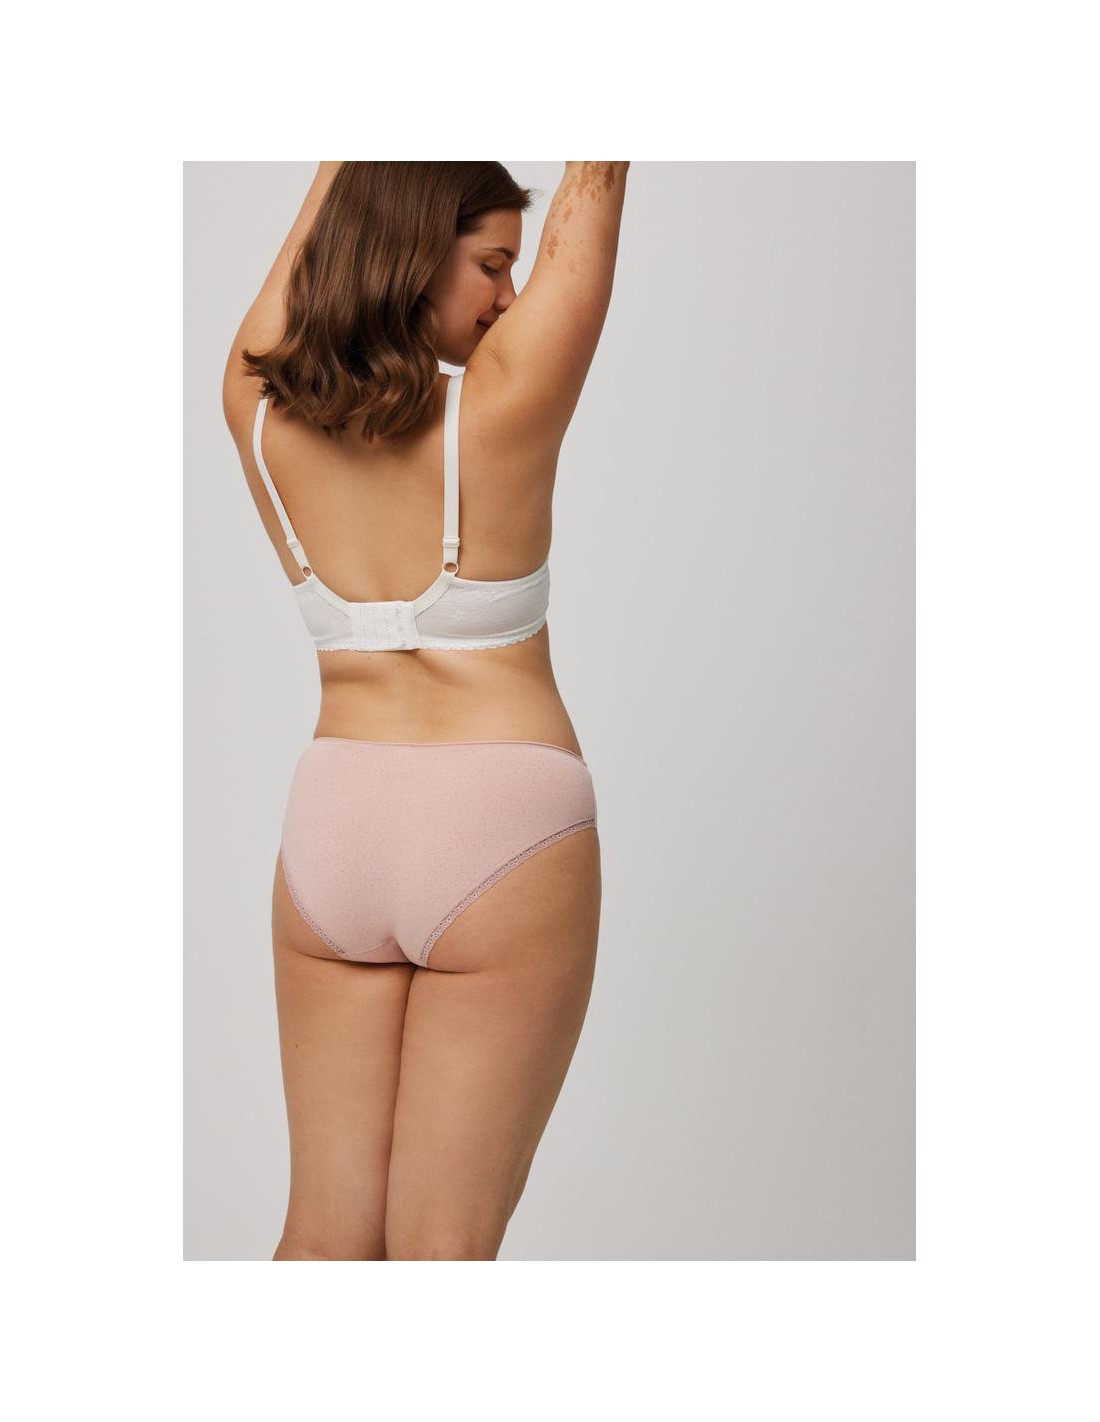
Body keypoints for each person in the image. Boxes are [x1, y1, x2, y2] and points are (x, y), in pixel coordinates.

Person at [221, 160, 629, 1261]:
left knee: (320, 1244)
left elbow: (334, 207)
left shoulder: (254, 413)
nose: (509, 296)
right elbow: (597, 176)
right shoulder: (505, 407)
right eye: (492, 264)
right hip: (501, 833)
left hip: (334, 834)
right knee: (442, 1255)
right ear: (410, 253)